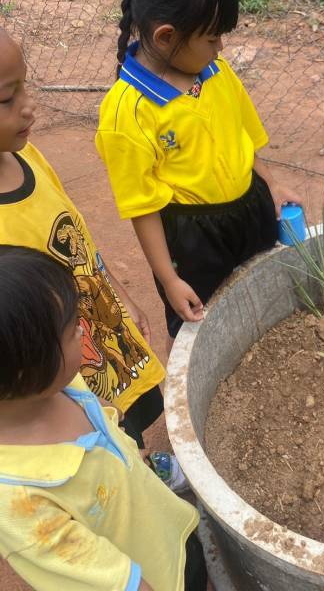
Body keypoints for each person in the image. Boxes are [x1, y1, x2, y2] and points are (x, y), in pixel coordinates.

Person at [96, 0, 301, 341]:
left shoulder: (215, 71)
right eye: (211, 38)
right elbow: (143, 208)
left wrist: (272, 182)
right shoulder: (128, 113)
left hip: (250, 208)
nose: (221, 47)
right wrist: (170, 279)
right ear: (166, 37)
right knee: (199, 329)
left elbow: (242, 136)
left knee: (262, 299)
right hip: (193, 240)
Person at [0, 28, 172, 471]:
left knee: (132, 415)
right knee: (103, 438)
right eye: (7, 98)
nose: (28, 106)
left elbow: (76, 235)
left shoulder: (26, 157)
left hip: (98, 322)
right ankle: (131, 478)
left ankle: (146, 468)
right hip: (58, 364)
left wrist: (119, 294)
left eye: (24, 86)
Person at [0, 245, 207, 591]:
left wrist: (123, 454)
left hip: (169, 531)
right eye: (70, 331)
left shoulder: (61, 386)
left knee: (195, 567)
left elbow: (102, 419)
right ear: (24, 371)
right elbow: (105, 579)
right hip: (152, 578)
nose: (83, 330)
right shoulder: (20, 500)